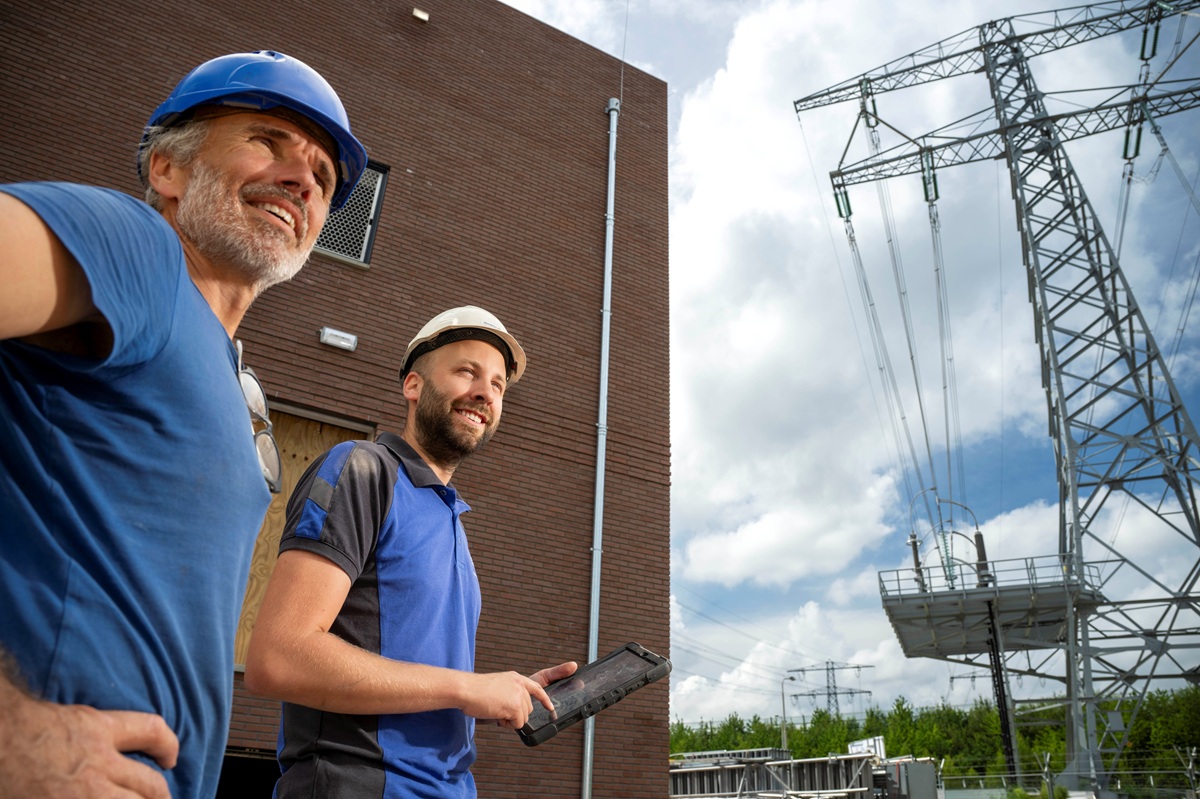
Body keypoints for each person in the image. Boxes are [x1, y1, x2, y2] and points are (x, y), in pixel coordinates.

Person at [0, 51, 368, 799]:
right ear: (167, 168)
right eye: (268, 140)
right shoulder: (135, 250)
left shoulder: (239, 389)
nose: (302, 178)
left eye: (323, 178)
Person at [244, 306, 577, 798]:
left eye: (499, 385)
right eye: (467, 371)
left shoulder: (451, 519)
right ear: (414, 386)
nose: (486, 392)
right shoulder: (363, 470)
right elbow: (278, 657)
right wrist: (466, 688)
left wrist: (497, 694)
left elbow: (414, 679)